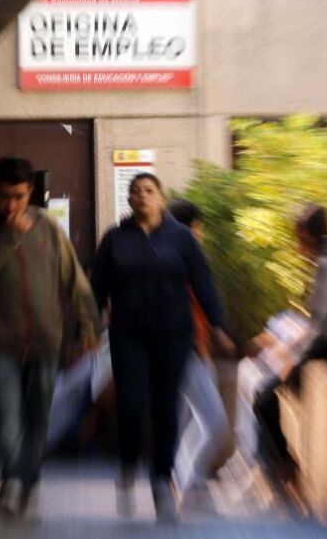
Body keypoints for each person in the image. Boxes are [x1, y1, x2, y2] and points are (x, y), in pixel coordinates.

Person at [91, 174, 231, 523]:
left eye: (149, 191)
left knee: (165, 408)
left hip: (173, 335)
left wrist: (219, 325)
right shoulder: (114, 239)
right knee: (131, 403)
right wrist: (88, 326)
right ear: (129, 199)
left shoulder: (181, 238)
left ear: (161, 198)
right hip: (128, 334)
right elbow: (97, 287)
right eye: (136, 192)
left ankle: (161, 482)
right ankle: (127, 468)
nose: (142, 196)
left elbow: (203, 282)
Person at [0, 158, 101, 520]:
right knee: (8, 420)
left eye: (18, 196)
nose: (11, 205)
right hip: (0, 342)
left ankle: (28, 483)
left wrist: (88, 324)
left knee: (38, 418)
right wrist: (9, 236)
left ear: (30, 192)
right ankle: (11, 483)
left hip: (46, 339)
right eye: (4, 196)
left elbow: (74, 278)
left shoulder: (48, 226)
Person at [242, 205, 327, 483]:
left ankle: (281, 468)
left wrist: (293, 361)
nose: (298, 246)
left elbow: (325, 328)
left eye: (300, 237)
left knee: (262, 398)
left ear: (309, 236)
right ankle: (277, 467)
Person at [167, 199, 233, 514]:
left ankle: (183, 480)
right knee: (215, 423)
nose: (201, 234)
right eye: (199, 228)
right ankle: (189, 483)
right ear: (190, 228)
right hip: (186, 351)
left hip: (191, 350)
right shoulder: (180, 260)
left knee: (186, 422)